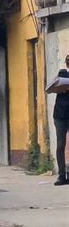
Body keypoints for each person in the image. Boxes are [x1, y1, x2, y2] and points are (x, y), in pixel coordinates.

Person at [53, 55, 69, 186]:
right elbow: (51, 88)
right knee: (60, 145)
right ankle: (62, 175)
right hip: (60, 115)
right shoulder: (62, 75)